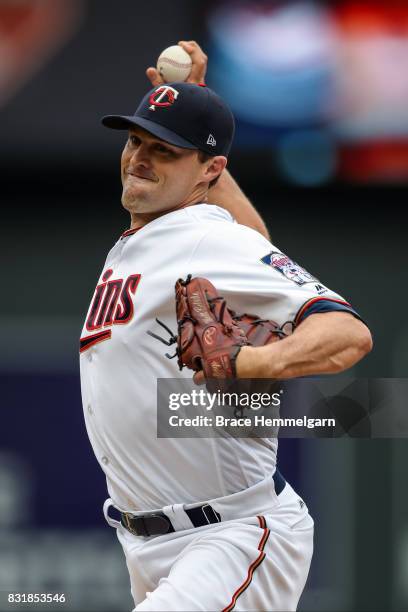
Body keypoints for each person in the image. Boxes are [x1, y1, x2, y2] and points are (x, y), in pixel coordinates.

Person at [79, 42, 372, 611]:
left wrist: (254, 362)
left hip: (230, 534)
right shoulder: (161, 235)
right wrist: (201, 113)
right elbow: (253, 244)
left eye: (163, 150)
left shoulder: (200, 237)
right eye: (135, 140)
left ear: (208, 170)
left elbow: (347, 333)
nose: (139, 158)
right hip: (151, 545)